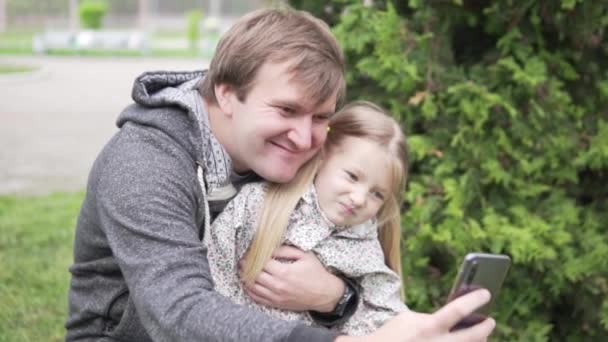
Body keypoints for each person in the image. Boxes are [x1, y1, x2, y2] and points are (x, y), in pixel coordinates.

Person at [65, 7, 496, 342]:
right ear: (227, 93)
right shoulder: (144, 164)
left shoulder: (281, 155)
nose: (305, 137)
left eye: (320, 117)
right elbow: (178, 312)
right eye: (287, 110)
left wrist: (334, 298)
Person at [204, 101, 409, 336]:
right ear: (322, 156)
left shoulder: (365, 247)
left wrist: (338, 300)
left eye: (377, 194)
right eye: (352, 176)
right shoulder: (261, 203)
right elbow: (211, 271)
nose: (360, 198)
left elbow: (386, 321)